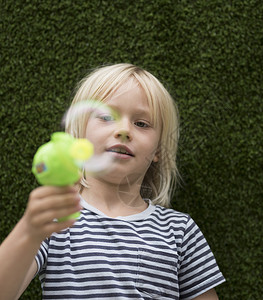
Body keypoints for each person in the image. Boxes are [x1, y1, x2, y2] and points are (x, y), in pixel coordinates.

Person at [0, 63, 225, 299]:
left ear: (158, 150)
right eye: (106, 117)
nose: (124, 130)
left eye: (141, 123)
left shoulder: (179, 232)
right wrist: (29, 230)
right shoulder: (58, 220)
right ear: (80, 135)